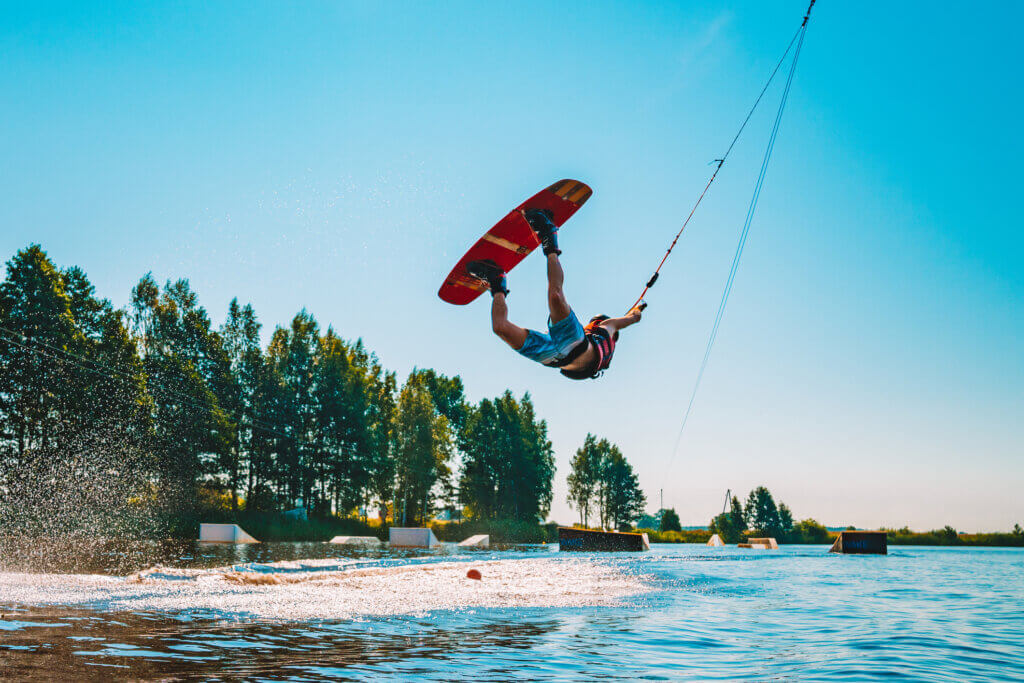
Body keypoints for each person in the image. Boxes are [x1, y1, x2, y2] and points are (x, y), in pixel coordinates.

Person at [465, 208, 643, 380]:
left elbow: (630, 319)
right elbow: (628, 319)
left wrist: (636, 313)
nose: (595, 323)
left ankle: (497, 283)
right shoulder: (600, 332)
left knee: (499, 328)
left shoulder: (609, 329)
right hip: (573, 341)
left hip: (551, 356)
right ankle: (549, 238)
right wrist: (636, 311)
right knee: (556, 297)